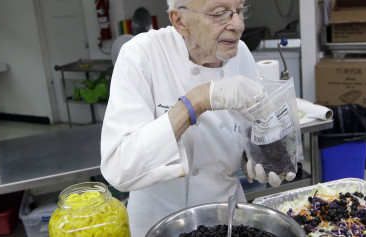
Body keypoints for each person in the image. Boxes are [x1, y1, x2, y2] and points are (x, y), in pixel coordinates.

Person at [100, 0, 295, 235]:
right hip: (162, 223)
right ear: (180, 21)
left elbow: (248, 128)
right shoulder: (142, 54)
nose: (238, 25)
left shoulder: (240, 52)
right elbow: (119, 169)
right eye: (220, 13)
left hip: (227, 219)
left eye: (240, 10)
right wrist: (197, 101)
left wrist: (253, 155)